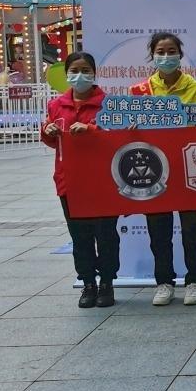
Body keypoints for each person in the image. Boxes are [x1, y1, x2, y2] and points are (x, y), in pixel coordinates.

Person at [131, 32, 196, 307]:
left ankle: (195, 281)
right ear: (152, 56)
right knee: (159, 230)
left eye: (171, 51)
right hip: (154, 171)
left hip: (188, 169)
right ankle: (164, 282)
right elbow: (131, 135)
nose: (166, 56)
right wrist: (132, 129)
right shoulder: (139, 92)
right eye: (160, 52)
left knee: (193, 229)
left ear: (180, 54)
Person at [41, 52, 119, 308]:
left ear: (94, 73)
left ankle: (106, 282)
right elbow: (52, 140)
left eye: (85, 70)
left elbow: (117, 138)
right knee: (80, 236)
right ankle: (87, 283)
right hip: (70, 182)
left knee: (106, 235)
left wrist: (92, 130)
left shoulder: (108, 104)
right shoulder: (56, 105)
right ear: (66, 74)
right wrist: (48, 130)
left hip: (103, 182)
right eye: (74, 70)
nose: (80, 75)